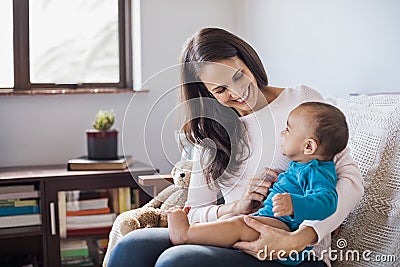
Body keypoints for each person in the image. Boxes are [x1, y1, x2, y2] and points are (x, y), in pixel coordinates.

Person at [107, 28, 364, 267]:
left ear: (247, 61)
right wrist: (235, 207)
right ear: (207, 94)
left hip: (294, 252)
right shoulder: (212, 131)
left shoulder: (301, 104)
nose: (238, 92)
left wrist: (301, 238)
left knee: (176, 260)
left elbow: (350, 181)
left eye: (239, 75)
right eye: (220, 89)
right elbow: (195, 212)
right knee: (131, 246)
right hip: (234, 235)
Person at [167, 101, 348, 265]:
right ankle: (194, 233)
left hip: (284, 229)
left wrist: (294, 204)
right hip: (272, 220)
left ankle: (186, 234)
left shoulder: (317, 171)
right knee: (232, 222)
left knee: (239, 225)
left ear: (308, 146)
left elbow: (328, 201)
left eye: (288, 130)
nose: (282, 133)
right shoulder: (303, 165)